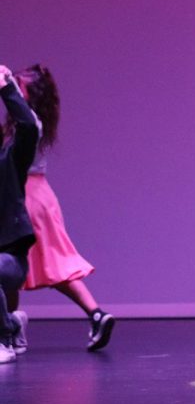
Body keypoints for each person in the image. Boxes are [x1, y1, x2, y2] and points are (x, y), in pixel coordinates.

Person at [9, 65, 115, 353]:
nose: (14, 91)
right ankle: (96, 314)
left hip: (25, 195)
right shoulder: (31, 119)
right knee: (49, 264)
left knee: (11, 261)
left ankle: (9, 328)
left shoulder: (27, 122)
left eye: (19, 87)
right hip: (41, 195)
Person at [0, 65, 39, 364]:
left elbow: (28, 127)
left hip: (10, 260)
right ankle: (13, 323)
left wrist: (7, 88)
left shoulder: (11, 159)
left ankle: (3, 340)